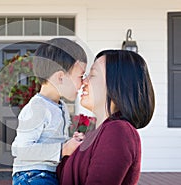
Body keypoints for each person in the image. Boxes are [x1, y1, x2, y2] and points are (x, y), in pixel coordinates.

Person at [56, 50, 155, 185]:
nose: (83, 81)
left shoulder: (119, 131)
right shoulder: (97, 133)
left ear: (118, 85)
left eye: (93, 75)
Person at [11, 38, 88, 185]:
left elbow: (51, 139)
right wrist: (63, 149)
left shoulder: (60, 106)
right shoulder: (38, 108)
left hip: (48, 173)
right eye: (80, 76)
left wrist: (70, 142)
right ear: (60, 77)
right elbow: (20, 150)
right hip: (32, 175)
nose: (83, 82)